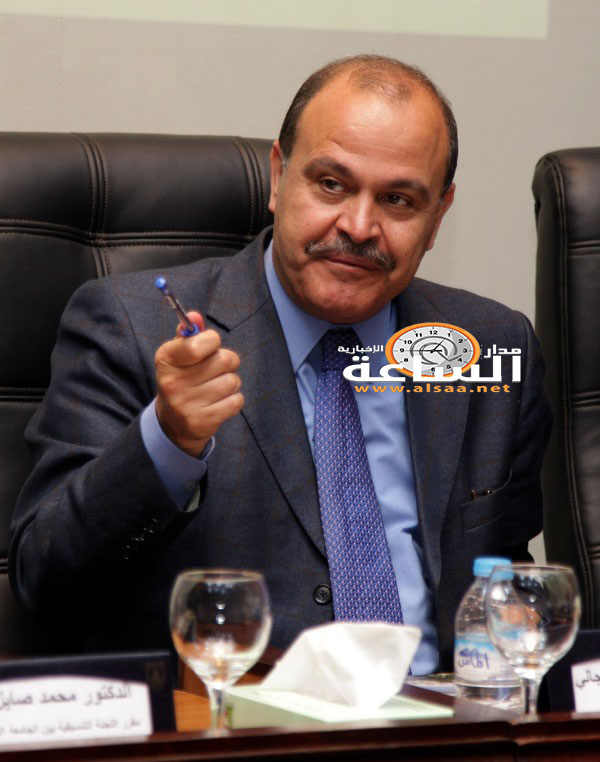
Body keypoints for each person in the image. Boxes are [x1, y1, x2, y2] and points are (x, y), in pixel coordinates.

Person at [9, 55, 551, 672]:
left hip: (443, 710)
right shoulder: (131, 326)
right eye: (331, 184)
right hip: (231, 714)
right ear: (278, 176)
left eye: (398, 199)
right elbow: (45, 584)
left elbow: (506, 580)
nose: (359, 226)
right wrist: (168, 440)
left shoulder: (492, 344)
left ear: (438, 217)